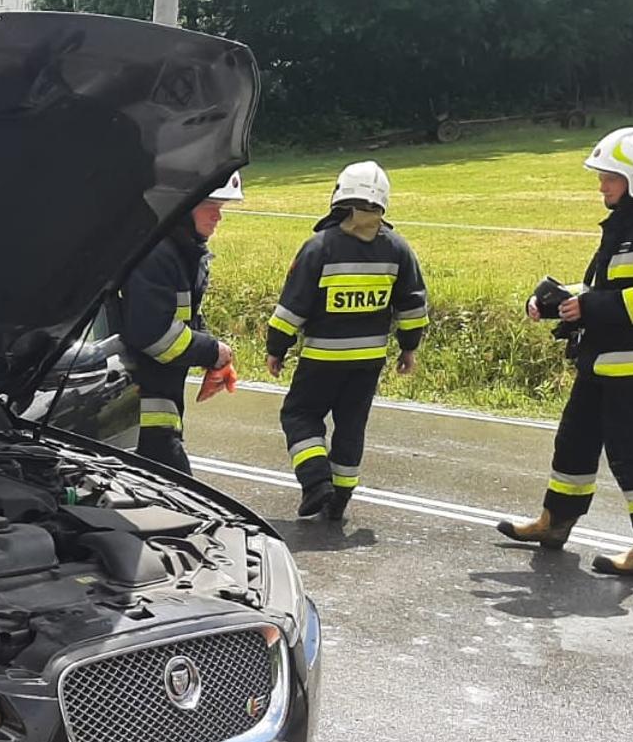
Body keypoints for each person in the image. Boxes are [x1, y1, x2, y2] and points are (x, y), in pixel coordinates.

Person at [497, 127, 633, 576]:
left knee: (631, 453)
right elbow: (608, 290)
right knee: (574, 443)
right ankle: (555, 522)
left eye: (610, 178)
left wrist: (589, 306)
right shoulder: (625, 224)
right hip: (603, 361)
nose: (601, 186)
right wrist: (558, 304)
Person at [265, 162, 428, 520]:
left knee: (300, 414)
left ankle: (315, 482)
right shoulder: (398, 249)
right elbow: (413, 304)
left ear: (339, 198)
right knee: (351, 425)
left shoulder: (319, 248)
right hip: (369, 361)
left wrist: (276, 349)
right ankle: (339, 500)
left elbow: (293, 307)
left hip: (322, 359)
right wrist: (409, 348)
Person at [112, 171, 245, 474]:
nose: (218, 217)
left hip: (157, 404)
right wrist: (213, 352)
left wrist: (215, 357)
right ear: (181, 207)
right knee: (181, 497)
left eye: (221, 208)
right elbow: (153, 334)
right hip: (142, 407)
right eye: (211, 206)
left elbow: (186, 317)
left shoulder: (182, 252)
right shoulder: (156, 255)